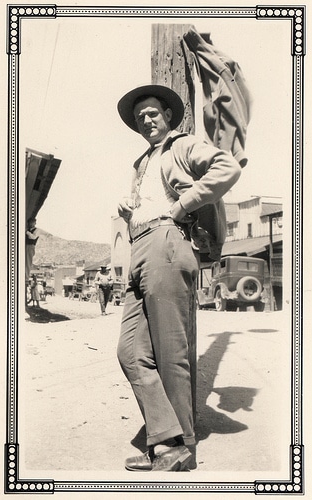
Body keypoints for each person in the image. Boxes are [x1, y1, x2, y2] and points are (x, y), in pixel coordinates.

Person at [116, 84, 241, 472]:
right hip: (140, 245)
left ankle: (180, 447)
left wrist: (183, 205)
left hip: (168, 242)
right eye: (140, 117)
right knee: (130, 352)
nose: (146, 120)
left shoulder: (183, 146)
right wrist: (129, 212)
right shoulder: (142, 162)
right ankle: (166, 438)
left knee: (171, 351)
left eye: (152, 113)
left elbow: (228, 167)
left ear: (168, 116)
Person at [25, 217, 39, 285]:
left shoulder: (37, 230)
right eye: (29, 222)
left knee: (28, 262)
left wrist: (27, 232)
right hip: (25, 246)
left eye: (32, 222)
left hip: (30, 246)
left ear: (34, 223)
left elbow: (33, 237)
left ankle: (26, 278)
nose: (30, 224)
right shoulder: (28, 230)